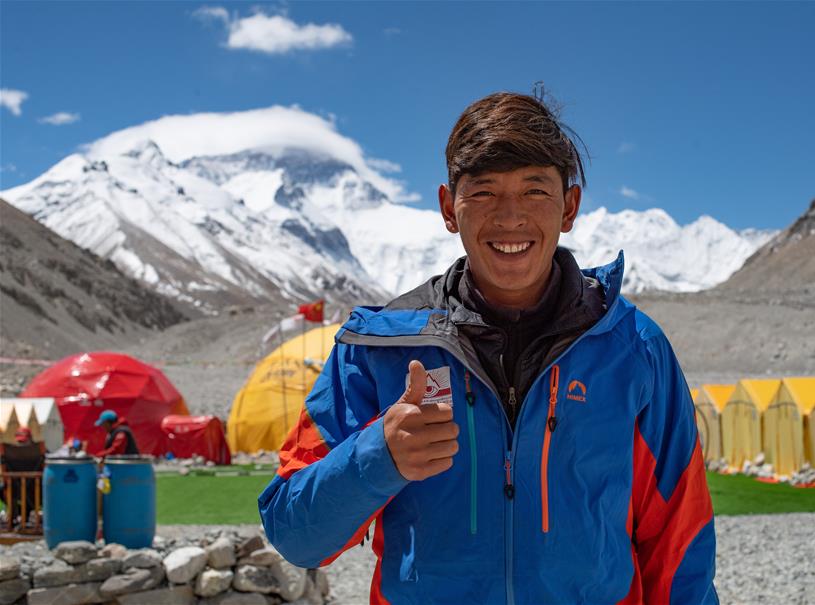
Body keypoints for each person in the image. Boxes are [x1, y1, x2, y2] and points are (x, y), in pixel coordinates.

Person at [259, 92, 717, 604]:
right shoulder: (379, 347)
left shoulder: (634, 350)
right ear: (448, 208)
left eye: (535, 190)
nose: (510, 216)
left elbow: (680, 547)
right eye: (483, 192)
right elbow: (295, 536)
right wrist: (378, 456)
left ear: (569, 207)